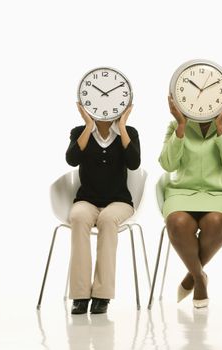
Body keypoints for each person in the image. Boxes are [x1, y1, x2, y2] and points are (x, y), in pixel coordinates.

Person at [159, 96, 222, 308]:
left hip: (221, 193)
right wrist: (180, 127)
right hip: (183, 192)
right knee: (177, 223)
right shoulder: (176, 125)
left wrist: (220, 127)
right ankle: (199, 278)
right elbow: (168, 165)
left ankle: (191, 276)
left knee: (216, 223)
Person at [66, 103, 140, 315]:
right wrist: (89, 125)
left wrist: (122, 126)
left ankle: (102, 295)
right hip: (87, 200)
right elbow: (72, 159)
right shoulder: (80, 132)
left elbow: (134, 163)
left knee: (108, 220)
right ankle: (80, 296)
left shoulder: (130, 133)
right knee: (78, 217)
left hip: (119, 202)